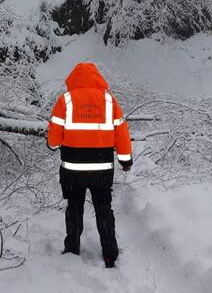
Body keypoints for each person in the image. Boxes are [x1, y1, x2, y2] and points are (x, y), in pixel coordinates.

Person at [47, 62, 133, 268]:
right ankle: (110, 253)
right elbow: (121, 132)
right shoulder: (109, 102)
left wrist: (53, 144)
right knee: (104, 208)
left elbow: (53, 140)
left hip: (72, 170)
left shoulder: (65, 100)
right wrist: (125, 159)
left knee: (74, 207)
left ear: (74, 78)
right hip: (101, 170)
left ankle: (72, 248)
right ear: (97, 78)